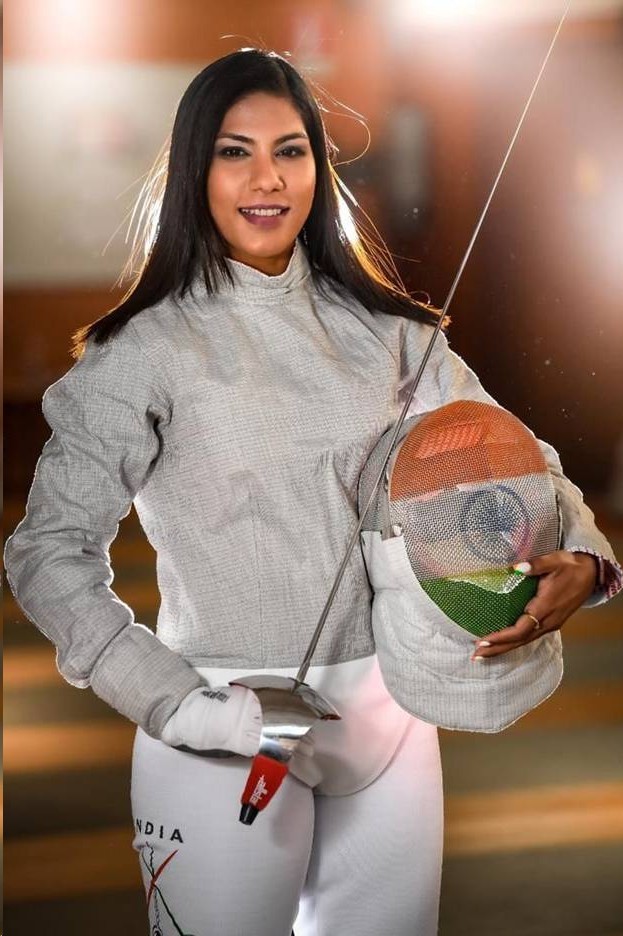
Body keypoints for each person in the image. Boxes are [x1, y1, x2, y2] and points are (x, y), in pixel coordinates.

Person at [4, 48, 621, 936]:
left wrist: (586, 558)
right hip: (224, 727)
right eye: (235, 152)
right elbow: (47, 555)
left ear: (318, 170)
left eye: (289, 151)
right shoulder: (142, 352)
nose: (267, 178)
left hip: (389, 719)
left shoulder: (390, 334)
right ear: (193, 170)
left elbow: (513, 457)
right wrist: (180, 704)